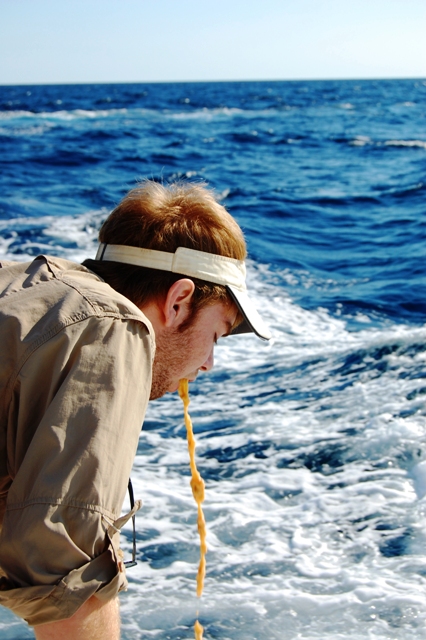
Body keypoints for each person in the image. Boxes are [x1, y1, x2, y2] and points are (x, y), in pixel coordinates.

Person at [0, 180, 270, 639]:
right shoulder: (114, 329)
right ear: (179, 301)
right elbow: (63, 565)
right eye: (217, 335)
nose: (208, 363)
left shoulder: (22, 286)